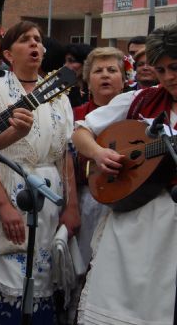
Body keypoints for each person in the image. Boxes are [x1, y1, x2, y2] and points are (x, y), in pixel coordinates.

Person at [0, 20, 79, 324]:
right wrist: (4, 206)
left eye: (38, 40)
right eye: (25, 40)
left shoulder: (60, 96)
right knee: (7, 284)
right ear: (7, 55)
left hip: (50, 197)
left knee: (44, 284)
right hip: (6, 189)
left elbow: (65, 155)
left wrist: (72, 207)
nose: (34, 45)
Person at [73, 24, 177, 325]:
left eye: (175, 67)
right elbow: (82, 131)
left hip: (171, 222)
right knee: (118, 299)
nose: (169, 76)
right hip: (133, 217)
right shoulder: (139, 100)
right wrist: (98, 153)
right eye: (161, 69)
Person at [67, 47, 125, 323]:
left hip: (125, 204)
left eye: (112, 70)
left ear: (124, 79)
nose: (105, 76)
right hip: (87, 200)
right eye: (98, 71)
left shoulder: (135, 114)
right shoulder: (76, 114)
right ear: (87, 81)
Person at [65, 43, 93, 108]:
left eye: (71, 61)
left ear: (85, 63)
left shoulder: (94, 90)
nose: (65, 65)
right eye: (65, 61)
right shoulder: (63, 90)